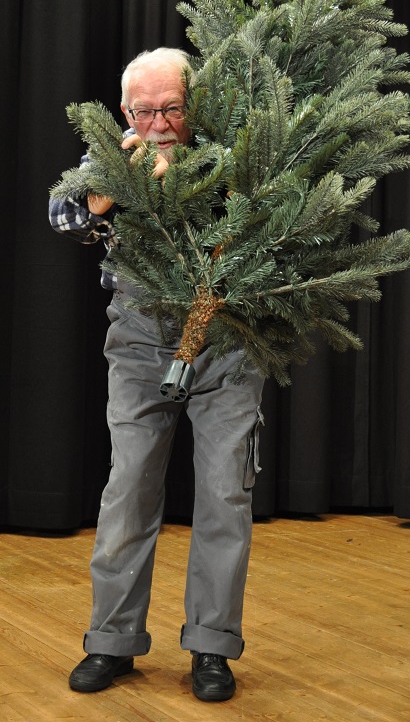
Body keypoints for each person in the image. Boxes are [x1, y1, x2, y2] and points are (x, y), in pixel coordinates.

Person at [49, 47, 264, 702]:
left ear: (194, 105)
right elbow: (62, 216)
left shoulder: (232, 155)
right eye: (145, 110)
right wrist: (109, 196)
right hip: (140, 341)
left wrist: (187, 184)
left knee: (225, 492)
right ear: (125, 110)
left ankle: (212, 646)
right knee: (129, 487)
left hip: (226, 340)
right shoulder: (110, 156)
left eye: (172, 107)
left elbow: (266, 225)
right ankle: (110, 642)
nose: (160, 122)